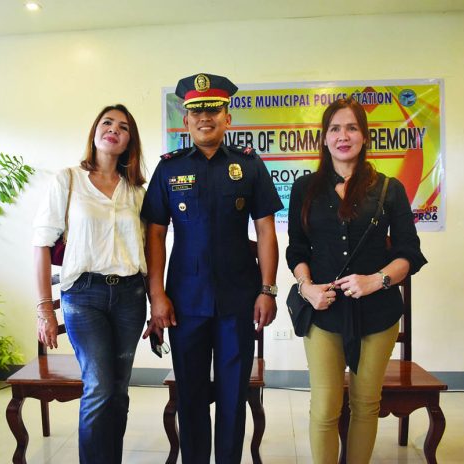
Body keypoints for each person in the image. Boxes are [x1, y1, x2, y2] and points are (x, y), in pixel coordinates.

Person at [141, 73, 283, 464]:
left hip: (239, 300)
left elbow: (267, 232)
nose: (205, 118)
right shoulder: (168, 169)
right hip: (184, 301)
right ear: (185, 122)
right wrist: (157, 296)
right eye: (196, 111)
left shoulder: (250, 166)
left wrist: (267, 290)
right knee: (191, 394)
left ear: (228, 119)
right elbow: (154, 237)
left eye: (214, 110)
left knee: (234, 395)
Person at [286, 97, 427, 464]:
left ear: (364, 137)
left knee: (366, 403)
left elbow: (409, 254)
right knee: (325, 407)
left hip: (377, 313)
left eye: (351, 128)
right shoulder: (305, 189)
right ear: (324, 137)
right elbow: (296, 251)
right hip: (323, 310)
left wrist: (376, 280)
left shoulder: (388, 189)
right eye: (335, 128)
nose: (343, 136)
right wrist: (306, 288)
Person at [31, 104, 147, 464]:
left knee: (119, 391)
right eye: (107, 122)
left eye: (123, 127)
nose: (114, 129)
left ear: (129, 141)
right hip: (84, 295)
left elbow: (150, 249)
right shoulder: (67, 179)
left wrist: (158, 300)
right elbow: (42, 243)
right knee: (98, 387)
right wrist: (44, 309)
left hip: (131, 296)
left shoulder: (136, 191)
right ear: (95, 131)